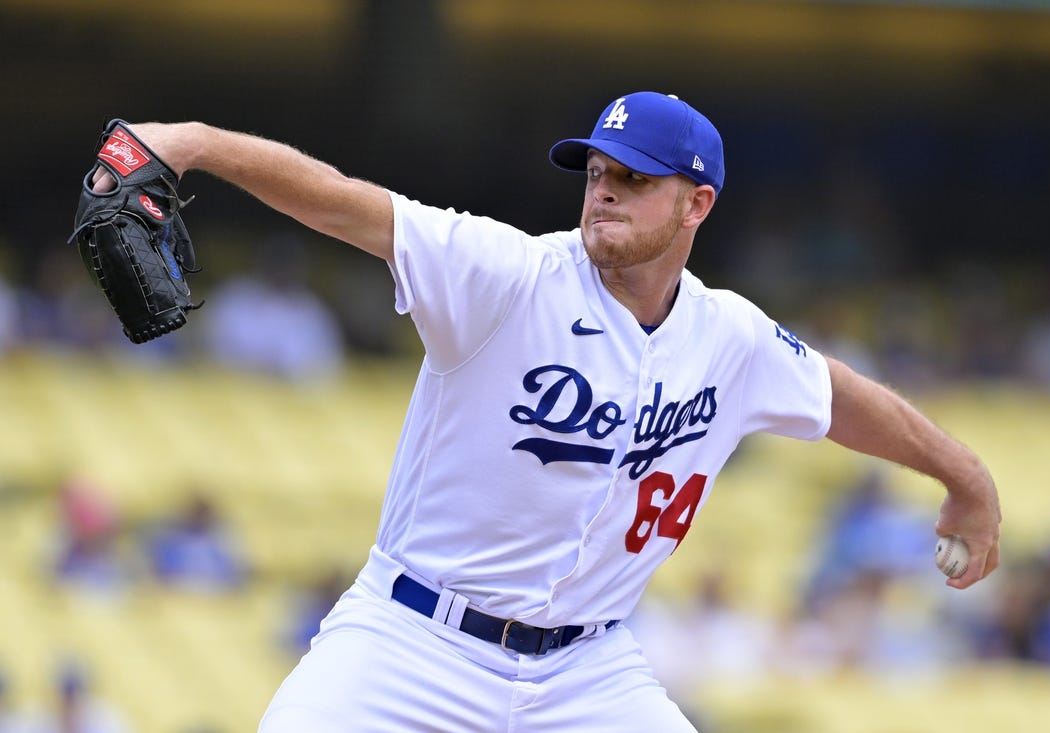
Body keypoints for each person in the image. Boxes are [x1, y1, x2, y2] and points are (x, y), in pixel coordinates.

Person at [90, 92, 1002, 732]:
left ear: (698, 203)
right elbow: (343, 205)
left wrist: (961, 472)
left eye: (634, 178)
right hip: (413, 641)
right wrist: (197, 140)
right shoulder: (507, 274)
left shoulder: (731, 337)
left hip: (586, 669)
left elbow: (836, 395)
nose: (603, 188)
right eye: (597, 169)